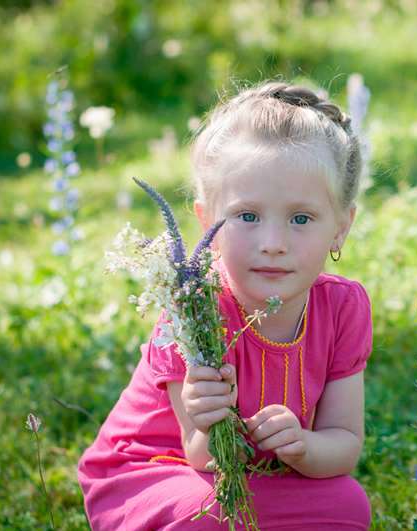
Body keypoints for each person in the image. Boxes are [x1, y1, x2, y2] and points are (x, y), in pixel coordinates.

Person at [78, 82, 373, 530]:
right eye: (247, 216)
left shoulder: (342, 307)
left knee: (348, 504)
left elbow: (345, 443)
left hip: (261, 476)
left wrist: (302, 447)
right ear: (206, 221)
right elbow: (200, 452)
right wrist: (206, 415)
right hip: (157, 471)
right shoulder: (193, 308)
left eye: (301, 218)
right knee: (212, 515)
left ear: (340, 227)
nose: (272, 244)